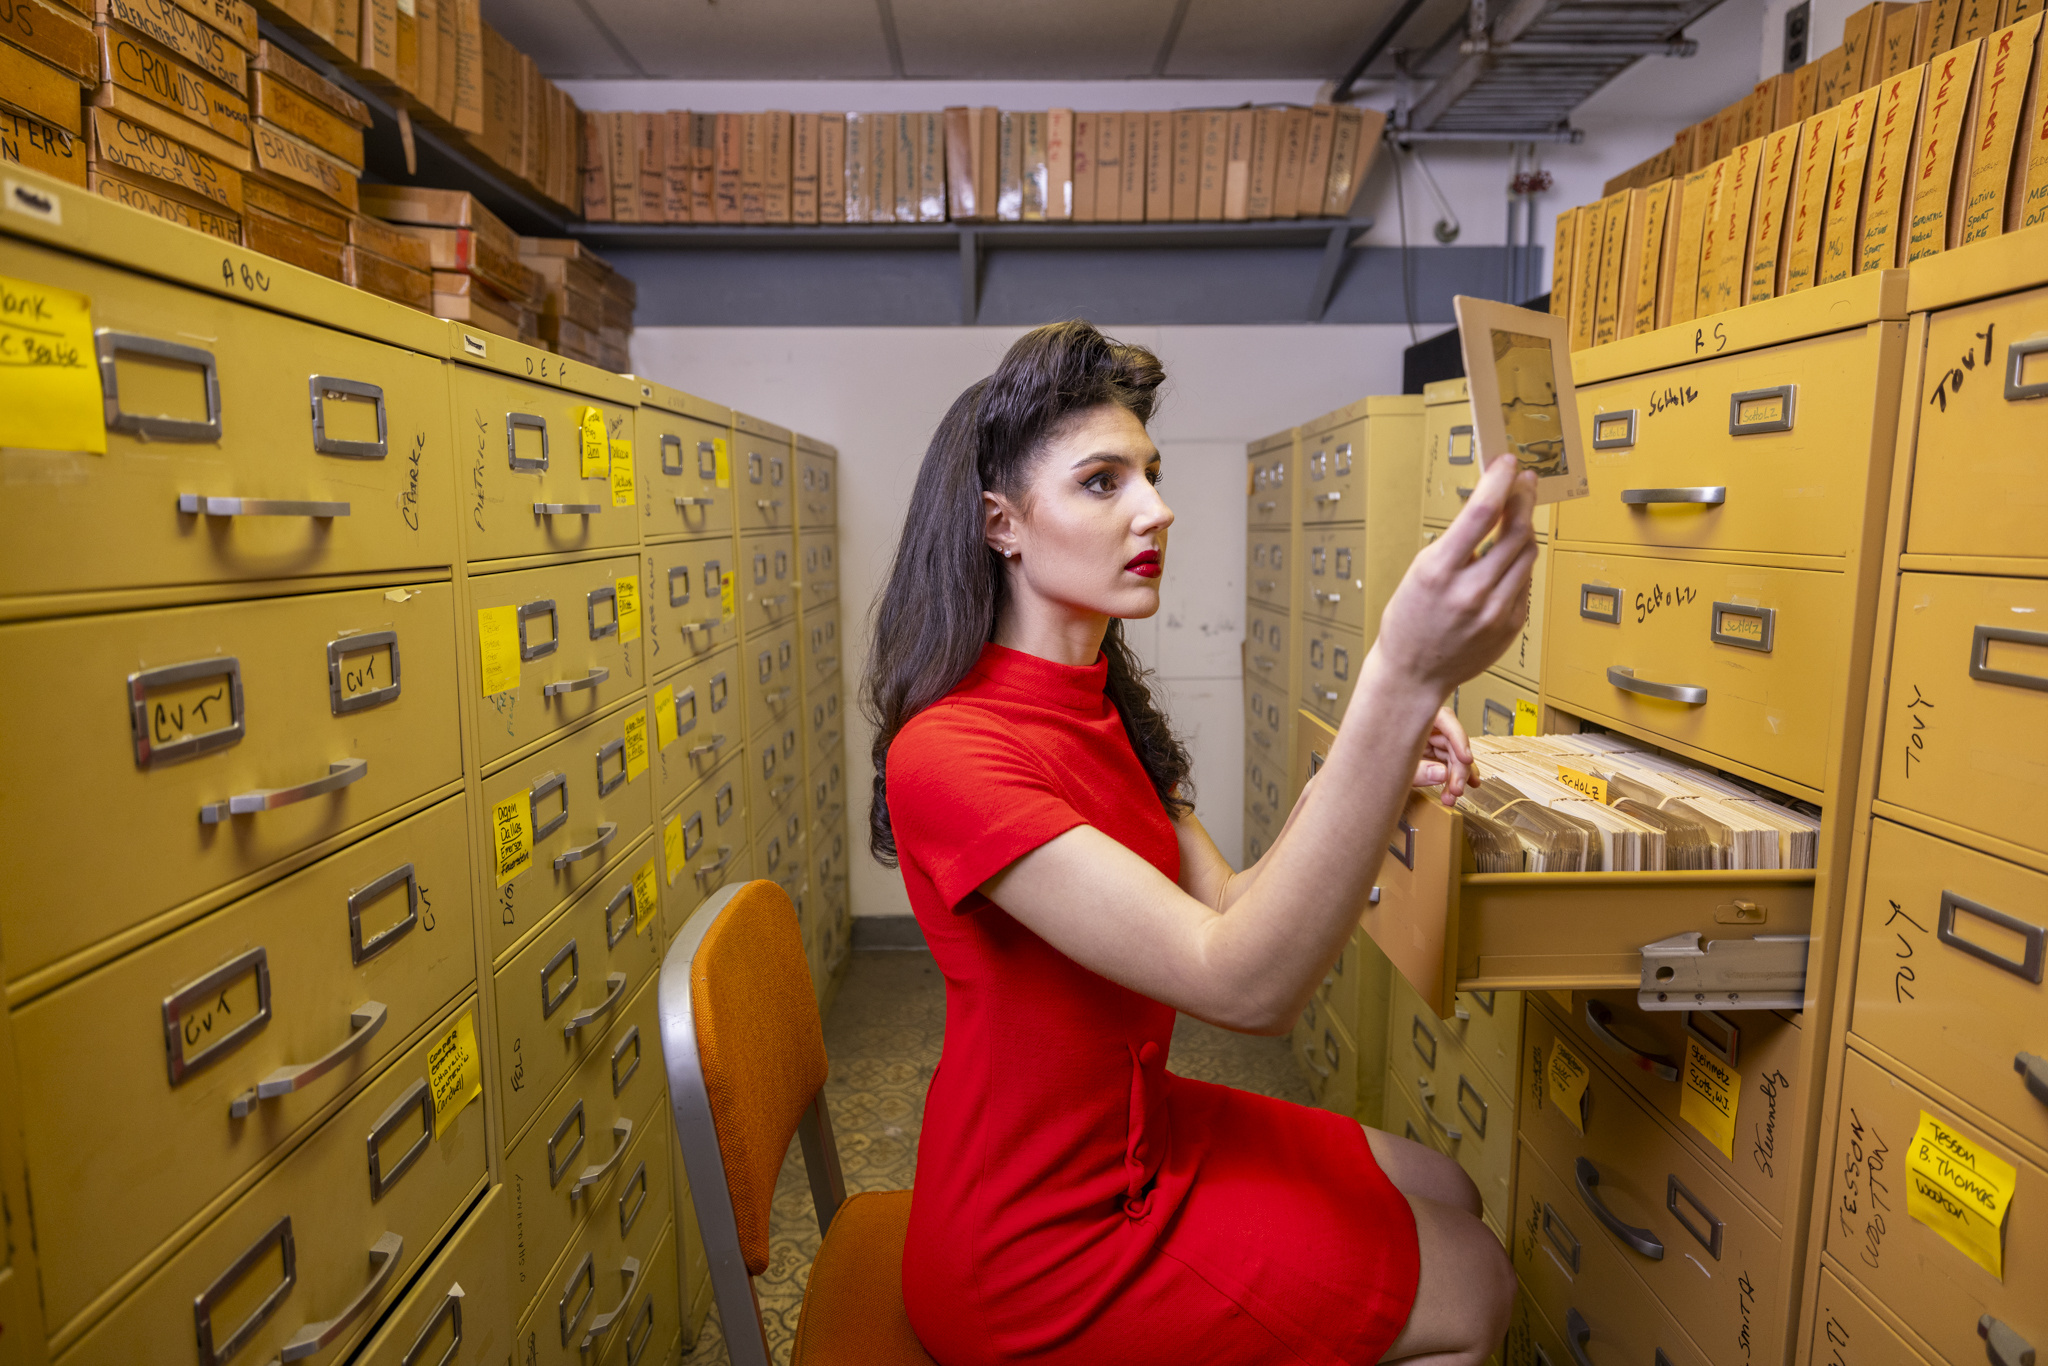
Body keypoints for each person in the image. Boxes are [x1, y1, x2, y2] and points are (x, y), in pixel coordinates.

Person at [863, 321, 1534, 1366]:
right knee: (1475, 1286)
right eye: (1101, 481)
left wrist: (1371, 766)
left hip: (1138, 1130)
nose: (1154, 508)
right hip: (1037, 1237)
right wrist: (1393, 686)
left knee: (1447, 1186)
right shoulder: (948, 752)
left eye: (1151, 474)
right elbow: (1244, 988)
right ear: (1002, 523)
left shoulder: (1103, 708)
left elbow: (1224, 907)